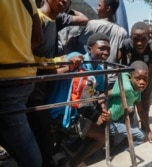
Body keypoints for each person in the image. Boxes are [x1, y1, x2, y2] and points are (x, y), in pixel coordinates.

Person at [27, 0, 84, 166]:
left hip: (45, 90)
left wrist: (66, 65)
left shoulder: (53, 21)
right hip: (32, 91)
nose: (64, 1)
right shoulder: (37, 18)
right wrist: (62, 60)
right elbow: (27, 58)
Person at [48, 33, 111, 167]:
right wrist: (69, 66)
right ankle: (71, 159)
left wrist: (104, 111)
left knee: (103, 128)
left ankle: (73, 158)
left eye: (108, 49)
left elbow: (98, 94)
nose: (106, 52)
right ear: (89, 49)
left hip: (78, 111)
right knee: (102, 137)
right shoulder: (76, 57)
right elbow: (50, 72)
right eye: (102, 48)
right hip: (60, 111)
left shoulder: (99, 71)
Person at [0, 1, 43, 166]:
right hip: (24, 77)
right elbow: (39, 37)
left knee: (23, 146)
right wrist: (18, 52)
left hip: (6, 80)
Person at [99, 60, 152, 150]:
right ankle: (123, 154)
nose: (142, 82)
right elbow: (101, 96)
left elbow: (141, 111)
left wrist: (149, 131)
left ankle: (119, 149)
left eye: (145, 79)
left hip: (119, 119)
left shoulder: (137, 91)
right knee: (141, 136)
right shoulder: (126, 89)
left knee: (137, 132)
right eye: (138, 78)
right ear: (130, 78)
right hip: (112, 122)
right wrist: (104, 111)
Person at [118, 21, 152, 130]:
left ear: (149, 37)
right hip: (130, 79)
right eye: (135, 39)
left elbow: (149, 70)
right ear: (131, 37)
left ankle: (146, 129)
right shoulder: (126, 44)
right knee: (130, 106)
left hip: (146, 79)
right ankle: (131, 131)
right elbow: (122, 64)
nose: (139, 43)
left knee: (144, 105)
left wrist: (144, 88)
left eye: (143, 39)